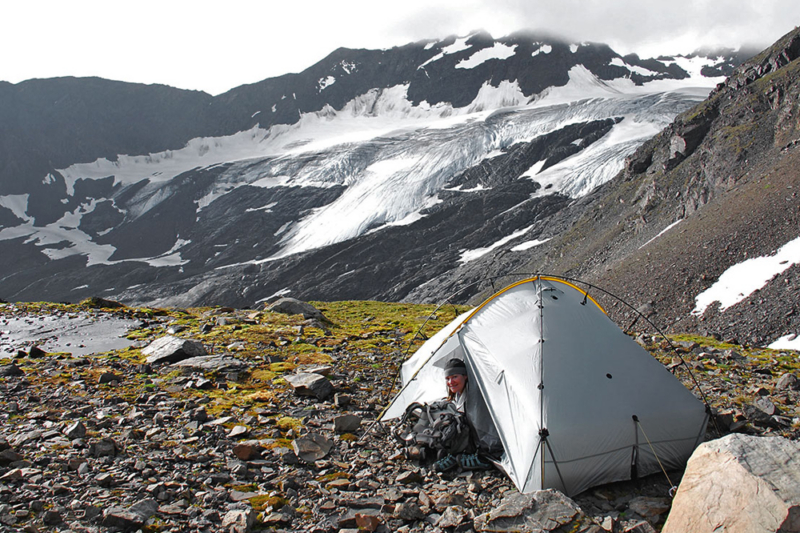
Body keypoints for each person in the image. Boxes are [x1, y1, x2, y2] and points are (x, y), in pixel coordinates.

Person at [433, 358, 492, 472]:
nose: (450, 382)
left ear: (465, 376)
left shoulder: (475, 397)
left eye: (455, 377)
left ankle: (477, 458)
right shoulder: (458, 394)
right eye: (448, 378)